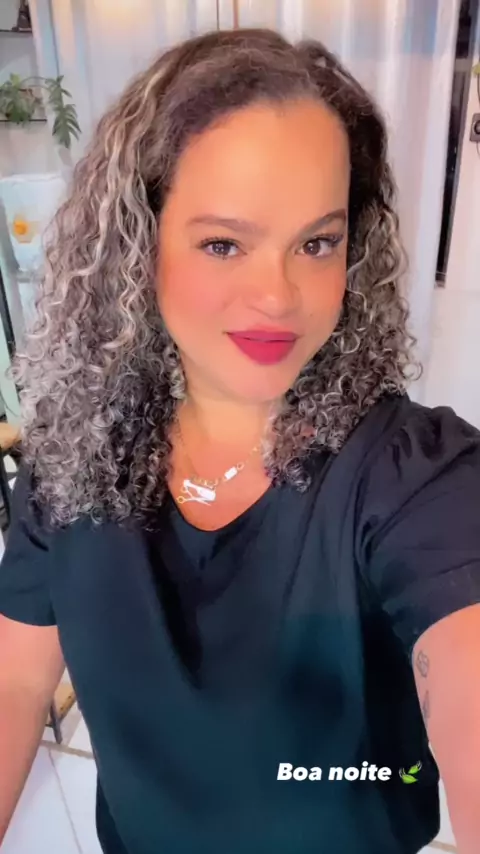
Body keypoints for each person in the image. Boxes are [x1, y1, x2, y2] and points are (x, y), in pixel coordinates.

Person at [0, 27, 479, 854]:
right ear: (138, 246)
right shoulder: (68, 464)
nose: (278, 295)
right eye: (223, 244)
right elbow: (14, 677)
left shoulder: (415, 479)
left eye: (316, 243)